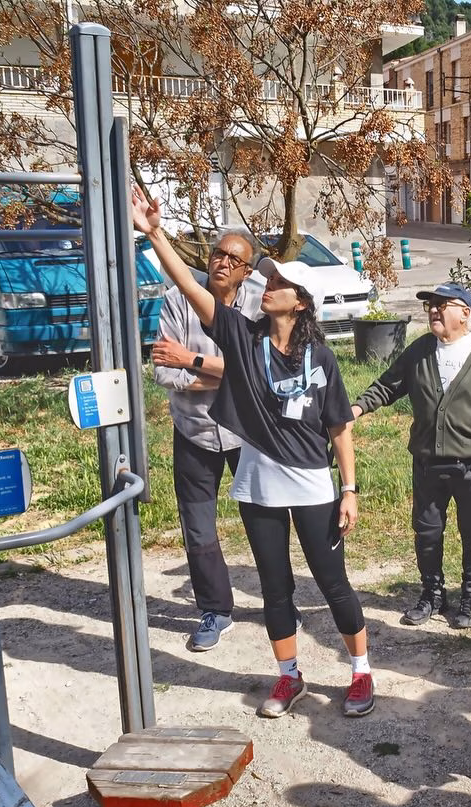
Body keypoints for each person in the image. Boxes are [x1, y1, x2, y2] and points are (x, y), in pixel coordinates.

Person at [132, 186, 374, 720]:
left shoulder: (321, 358)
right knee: (275, 587)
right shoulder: (243, 338)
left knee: (332, 582)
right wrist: (154, 233)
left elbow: (339, 427)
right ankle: (289, 676)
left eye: (279, 284)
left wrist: (349, 489)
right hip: (259, 486)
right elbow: (189, 287)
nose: (268, 286)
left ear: (301, 301)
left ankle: (360, 672)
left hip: (312, 486)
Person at [351, 282, 471, 629]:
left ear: (465, 313)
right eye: (430, 305)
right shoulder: (420, 350)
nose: (433, 310)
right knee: (427, 532)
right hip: (427, 463)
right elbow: (386, 386)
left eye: (442, 305)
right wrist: (355, 409)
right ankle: (432, 594)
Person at [152, 231, 263, 652]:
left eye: (234, 259)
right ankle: (215, 610)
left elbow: (263, 369)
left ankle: (280, 602)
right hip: (193, 430)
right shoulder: (177, 300)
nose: (222, 262)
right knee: (198, 528)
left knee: (264, 522)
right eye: (218, 254)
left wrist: (191, 362)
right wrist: (233, 374)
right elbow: (165, 372)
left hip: (246, 433)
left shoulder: (259, 303)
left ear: (246, 271)